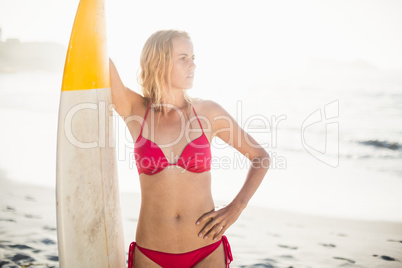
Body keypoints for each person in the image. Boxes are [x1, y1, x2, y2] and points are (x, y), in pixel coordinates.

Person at [109, 29, 270, 267]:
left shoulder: (208, 113)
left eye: (193, 58)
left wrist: (237, 207)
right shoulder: (135, 109)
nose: (192, 65)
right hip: (152, 253)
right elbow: (99, 57)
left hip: (205, 251)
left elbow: (260, 157)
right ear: (158, 62)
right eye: (183, 58)